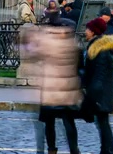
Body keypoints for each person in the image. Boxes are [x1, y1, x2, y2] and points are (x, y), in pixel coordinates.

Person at [31, 24, 83, 154]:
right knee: (67, 122)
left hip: (51, 90)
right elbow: (80, 67)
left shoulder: (47, 45)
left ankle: (52, 149)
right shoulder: (73, 46)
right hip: (65, 89)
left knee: (51, 123)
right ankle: (73, 149)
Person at [83, 17, 113, 154]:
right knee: (102, 123)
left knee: (103, 124)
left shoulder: (99, 50)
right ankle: (106, 150)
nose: (85, 32)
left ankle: (107, 151)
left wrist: (92, 95)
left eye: (88, 29)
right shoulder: (98, 48)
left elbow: (98, 75)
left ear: (93, 31)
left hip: (100, 92)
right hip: (102, 91)